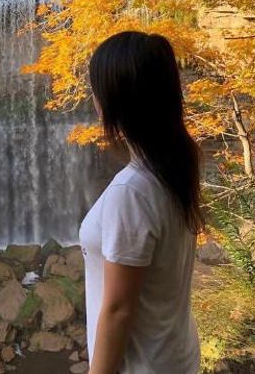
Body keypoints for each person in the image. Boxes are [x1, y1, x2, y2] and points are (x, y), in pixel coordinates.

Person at [79, 31, 203, 374]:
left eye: (96, 90)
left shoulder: (131, 192)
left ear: (116, 99)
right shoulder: (177, 162)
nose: (94, 99)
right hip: (175, 354)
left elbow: (119, 310)